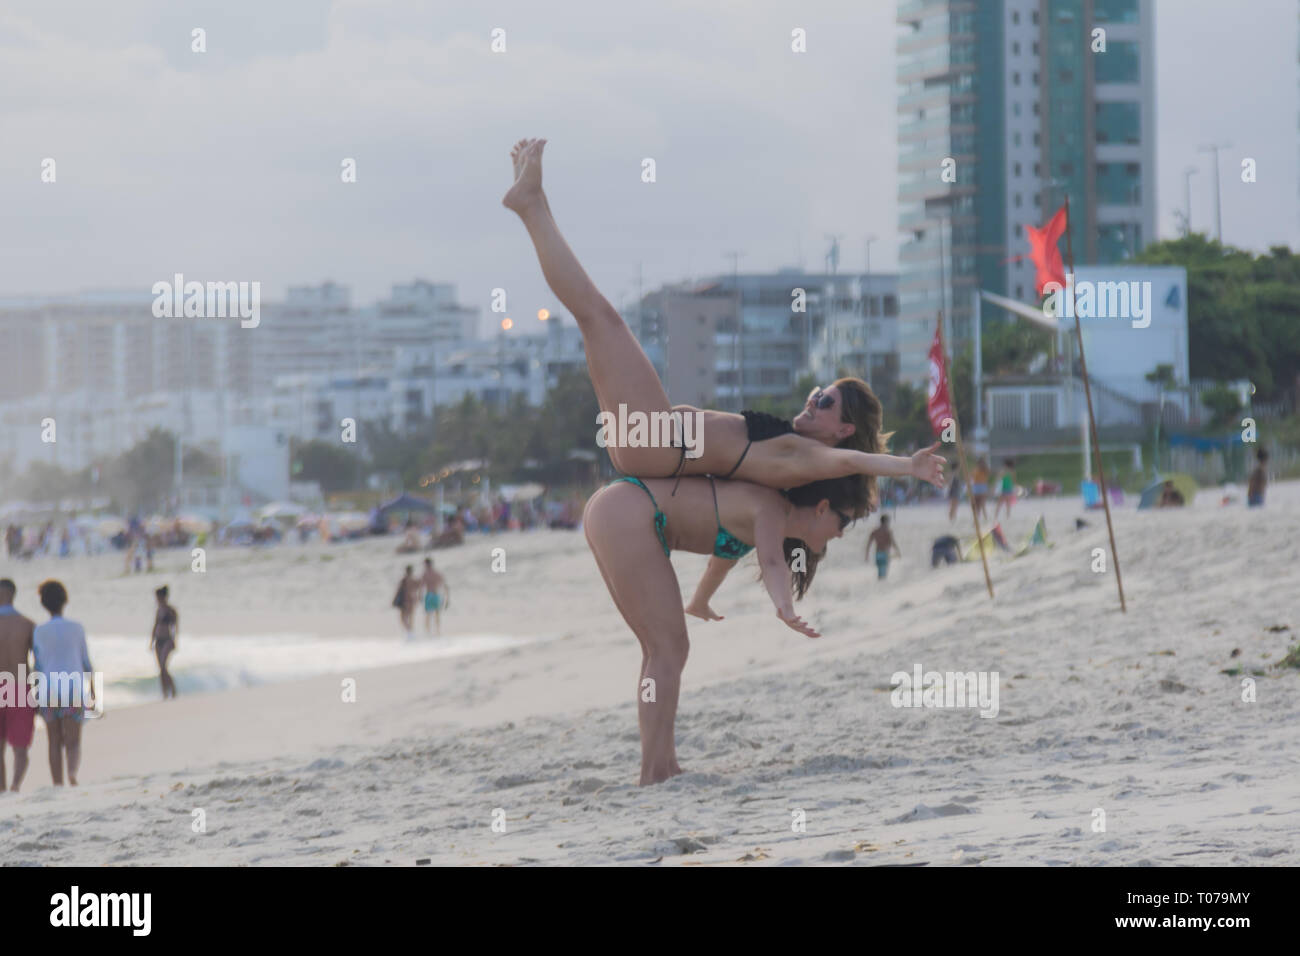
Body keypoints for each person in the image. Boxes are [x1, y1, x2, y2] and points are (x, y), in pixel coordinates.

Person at [502, 138, 945, 502]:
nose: (813, 401)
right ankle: (534, 203)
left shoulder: (809, 456)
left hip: (656, 444)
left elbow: (852, 461)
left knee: (602, 318)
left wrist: (908, 466)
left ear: (844, 430)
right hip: (650, 442)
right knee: (594, 319)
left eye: (825, 403)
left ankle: (532, 205)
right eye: (817, 393)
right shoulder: (793, 445)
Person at [586, 472, 863, 785]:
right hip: (628, 509)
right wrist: (784, 607)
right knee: (666, 650)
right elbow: (772, 563)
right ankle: (653, 772)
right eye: (844, 523)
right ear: (822, 508)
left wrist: (700, 601)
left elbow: (719, 560)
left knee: (660, 651)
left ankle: (664, 763)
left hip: (617, 508)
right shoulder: (772, 510)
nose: (841, 534)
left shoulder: (759, 519)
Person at [32, 580, 93, 786]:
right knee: (73, 741)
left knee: (54, 741)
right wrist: (92, 693)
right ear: (65, 601)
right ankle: (72, 773)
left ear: (43, 603)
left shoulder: (39, 631)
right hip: (73, 688)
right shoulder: (77, 628)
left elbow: (38, 667)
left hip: (48, 690)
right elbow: (86, 663)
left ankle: (58, 783)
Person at [0, 579, 36, 792]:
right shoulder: (27, 624)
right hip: (20, 685)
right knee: (20, 747)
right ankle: (14, 787)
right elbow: (39, 662)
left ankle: (2, 790)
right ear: (13, 595)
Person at [150, 586, 179, 699]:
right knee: (161, 668)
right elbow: (155, 625)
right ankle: (165, 692)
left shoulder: (171, 610)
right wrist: (152, 640)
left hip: (167, 640)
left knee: (163, 666)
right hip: (158, 640)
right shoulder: (158, 610)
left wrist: (174, 640)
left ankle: (172, 689)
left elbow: (175, 627)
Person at [865, 515, 902, 580]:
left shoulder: (875, 531)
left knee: (879, 573)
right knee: (883, 575)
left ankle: (879, 586)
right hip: (885, 553)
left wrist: (867, 554)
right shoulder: (888, 531)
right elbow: (893, 542)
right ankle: (881, 588)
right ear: (886, 522)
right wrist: (898, 551)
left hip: (877, 553)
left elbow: (869, 544)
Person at [420, 558, 450, 636]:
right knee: (437, 614)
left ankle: (428, 632)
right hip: (436, 595)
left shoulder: (425, 574)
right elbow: (444, 585)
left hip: (429, 595)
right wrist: (447, 598)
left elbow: (421, 586)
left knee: (428, 614)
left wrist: (420, 596)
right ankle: (438, 631)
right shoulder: (437, 573)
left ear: (426, 564)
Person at [394, 566, 419, 638]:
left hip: (405, 600)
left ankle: (409, 632)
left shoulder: (404, 580)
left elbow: (398, 590)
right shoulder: (414, 580)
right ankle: (411, 632)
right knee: (410, 617)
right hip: (412, 600)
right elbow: (418, 588)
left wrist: (395, 599)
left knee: (403, 618)